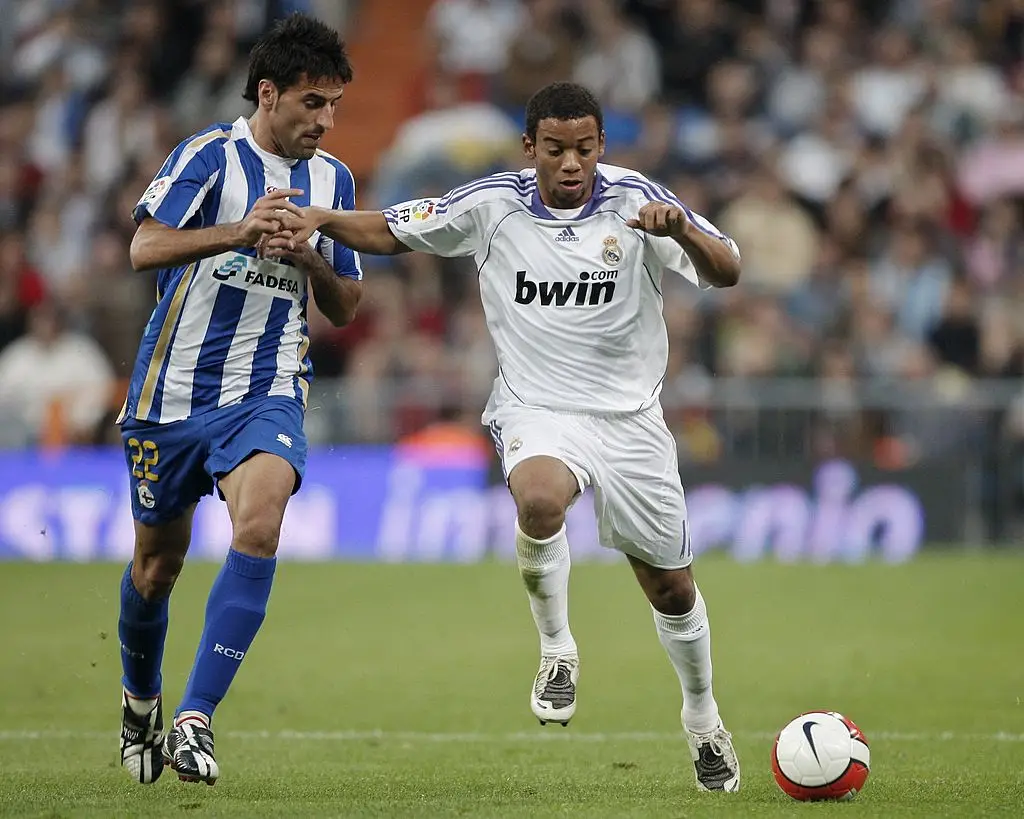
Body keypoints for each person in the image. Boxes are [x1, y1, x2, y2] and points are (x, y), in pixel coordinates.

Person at [268, 81, 742, 792]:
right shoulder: (491, 205)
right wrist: (322, 220)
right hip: (536, 406)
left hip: (631, 420)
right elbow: (394, 228)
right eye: (556, 149)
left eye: (584, 148)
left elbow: (728, 269)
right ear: (531, 148)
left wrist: (682, 231)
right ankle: (557, 650)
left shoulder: (636, 200)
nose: (572, 163)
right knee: (541, 498)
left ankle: (704, 720)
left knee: (672, 588)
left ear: (601, 145)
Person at [117, 13, 361, 786]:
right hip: (170, 392)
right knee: (157, 568)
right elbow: (143, 247)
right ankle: (140, 699)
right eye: (312, 103)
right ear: (269, 93)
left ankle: (195, 717)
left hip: (266, 390)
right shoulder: (208, 156)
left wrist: (312, 256)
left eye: (334, 106)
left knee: (259, 524)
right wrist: (238, 232)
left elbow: (348, 305)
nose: (324, 121)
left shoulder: (335, 181)